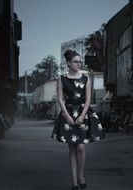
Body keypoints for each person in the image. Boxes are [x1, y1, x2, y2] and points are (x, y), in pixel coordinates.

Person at [51, 49, 105, 189]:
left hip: (83, 113)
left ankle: (81, 175)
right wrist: (67, 116)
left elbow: (88, 98)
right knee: (72, 149)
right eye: (76, 62)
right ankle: (74, 180)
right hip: (68, 113)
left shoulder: (86, 77)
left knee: (81, 147)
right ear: (68, 63)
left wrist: (82, 115)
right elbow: (60, 99)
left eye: (80, 62)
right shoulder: (61, 78)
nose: (79, 64)